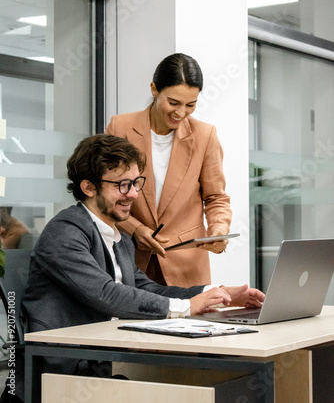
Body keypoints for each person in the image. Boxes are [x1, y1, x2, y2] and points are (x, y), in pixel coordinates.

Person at [0, 134, 263, 403]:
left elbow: (144, 287)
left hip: (96, 369)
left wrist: (214, 295)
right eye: (123, 185)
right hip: (56, 378)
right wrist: (186, 307)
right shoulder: (64, 233)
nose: (134, 194)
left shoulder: (118, 237)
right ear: (89, 187)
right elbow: (106, 294)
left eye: (136, 183)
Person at [105, 53, 232, 287]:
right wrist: (135, 229)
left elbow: (216, 198)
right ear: (154, 89)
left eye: (190, 105)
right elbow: (106, 193)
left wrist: (219, 230)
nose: (181, 113)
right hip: (131, 258)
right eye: (173, 103)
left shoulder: (205, 136)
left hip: (186, 265)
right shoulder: (120, 128)